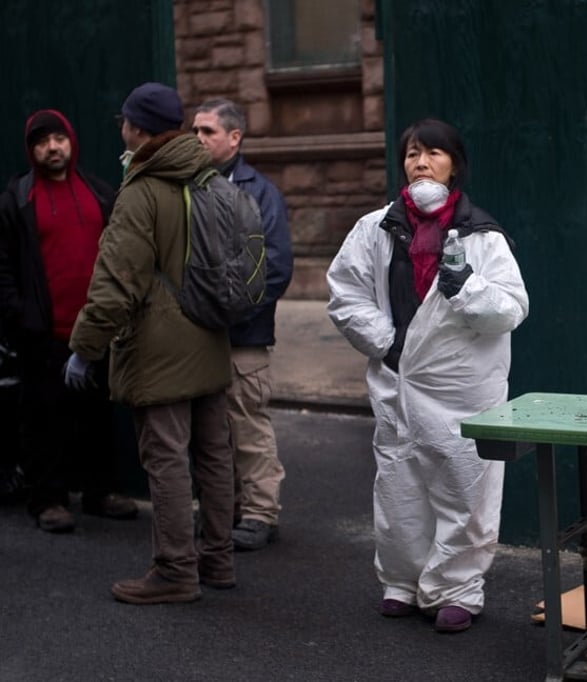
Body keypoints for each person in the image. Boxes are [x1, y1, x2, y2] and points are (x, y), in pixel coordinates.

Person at [326, 118, 529, 633]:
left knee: (465, 488)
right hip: (397, 381)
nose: (421, 162)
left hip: (462, 388)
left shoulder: (482, 235)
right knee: (399, 487)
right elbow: (346, 294)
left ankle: (457, 589)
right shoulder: (375, 229)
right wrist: (388, 343)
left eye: (433, 153)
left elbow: (511, 308)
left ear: (453, 164)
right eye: (413, 153)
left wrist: (467, 289)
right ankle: (402, 581)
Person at [66, 82, 236, 604]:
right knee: (213, 455)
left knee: (165, 459)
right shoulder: (211, 179)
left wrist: (84, 346)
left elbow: (116, 283)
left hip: (160, 349)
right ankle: (218, 561)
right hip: (210, 337)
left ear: (136, 128)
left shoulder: (141, 191)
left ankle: (175, 571)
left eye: (125, 121)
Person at [0, 109, 138, 531]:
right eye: (42, 141)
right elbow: (3, 266)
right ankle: (48, 500)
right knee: (43, 420)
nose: (52, 147)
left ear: (71, 141)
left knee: (98, 417)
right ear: (31, 150)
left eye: (58, 138)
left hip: (96, 330)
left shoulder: (98, 192)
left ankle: (101, 492)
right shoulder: (17, 198)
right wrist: (22, 316)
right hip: (43, 334)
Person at [191, 98, 293, 551]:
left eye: (207, 131)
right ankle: (221, 510)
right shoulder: (190, 188)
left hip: (243, 336)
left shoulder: (259, 191)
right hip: (199, 336)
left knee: (248, 426)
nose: (198, 139)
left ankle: (259, 514)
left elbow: (274, 267)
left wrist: (230, 313)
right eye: (194, 130)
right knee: (210, 431)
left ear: (235, 137)